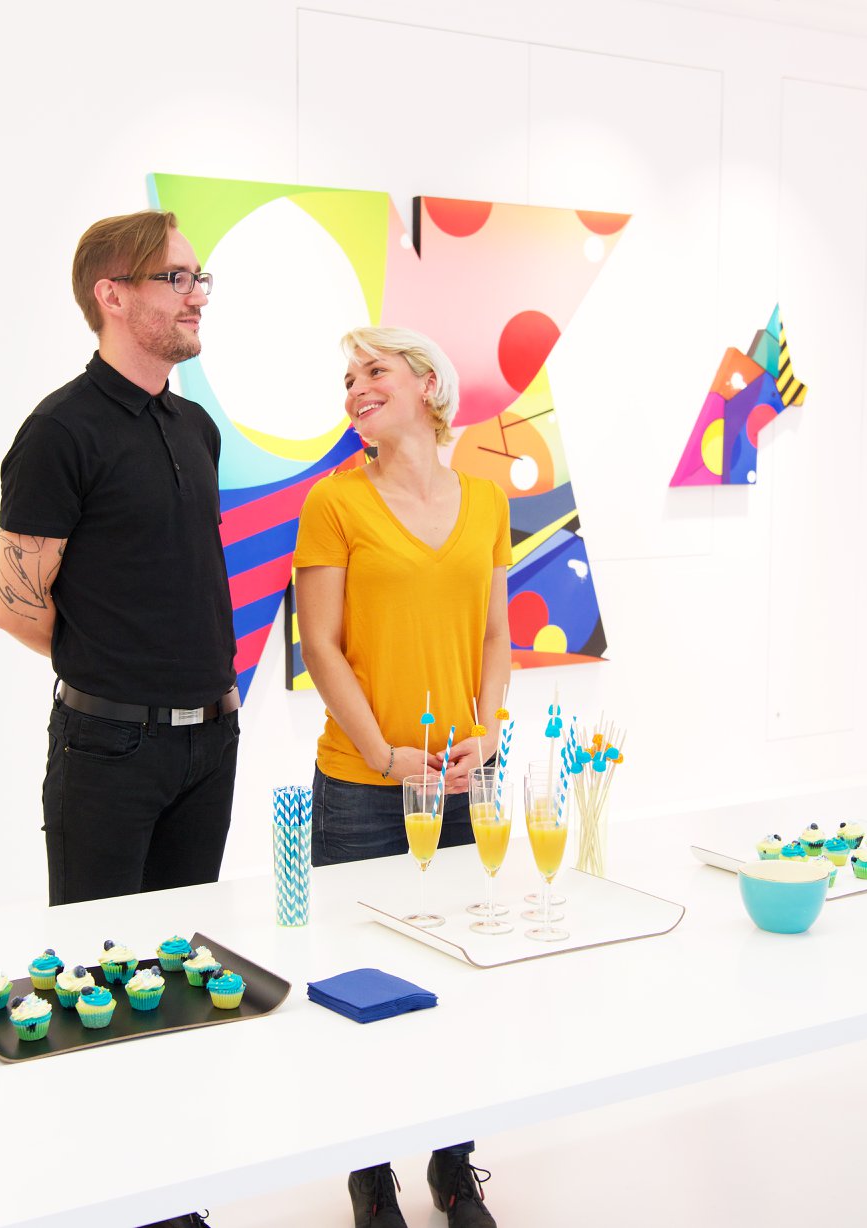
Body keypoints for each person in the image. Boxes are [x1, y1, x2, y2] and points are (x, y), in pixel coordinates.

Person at [294, 326, 508, 1228]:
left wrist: (487, 733)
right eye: (348, 378)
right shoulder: (334, 502)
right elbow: (320, 646)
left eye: (373, 371)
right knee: (362, 981)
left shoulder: (488, 501)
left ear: (427, 384)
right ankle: (369, 1172)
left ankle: (453, 1167)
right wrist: (385, 756)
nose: (355, 388)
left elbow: (495, 637)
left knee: (464, 972)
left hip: (463, 784)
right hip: (362, 785)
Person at [0, 209, 240, 918]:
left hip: (214, 738)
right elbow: (15, 607)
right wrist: (121, 671)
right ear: (113, 295)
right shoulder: (59, 431)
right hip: (109, 747)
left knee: (187, 956)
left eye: (199, 278)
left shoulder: (197, 428)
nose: (196, 295)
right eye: (175, 278)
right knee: (102, 961)